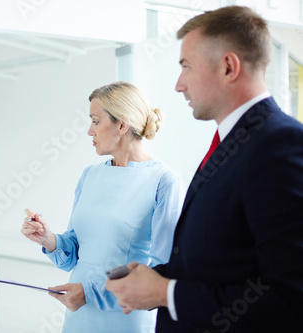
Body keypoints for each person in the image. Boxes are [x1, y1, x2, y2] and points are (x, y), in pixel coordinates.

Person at [106, 6, 303, 333]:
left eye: (186, 67)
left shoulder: (280, 145)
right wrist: (155, 280)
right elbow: (226, 260)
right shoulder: (235, 141)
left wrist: (163, 293)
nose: (178, 85)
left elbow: (291, 301)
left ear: (228, 67)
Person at [21, 81, 182, 333]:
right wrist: (49, 239)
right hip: (79, 313)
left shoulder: (164, 181)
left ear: (121, 124)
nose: (89, 131)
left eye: (95, 121)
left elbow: (163, 269)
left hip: (126, 316)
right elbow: (74, 254)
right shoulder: (90, 175)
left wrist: (91, 294)